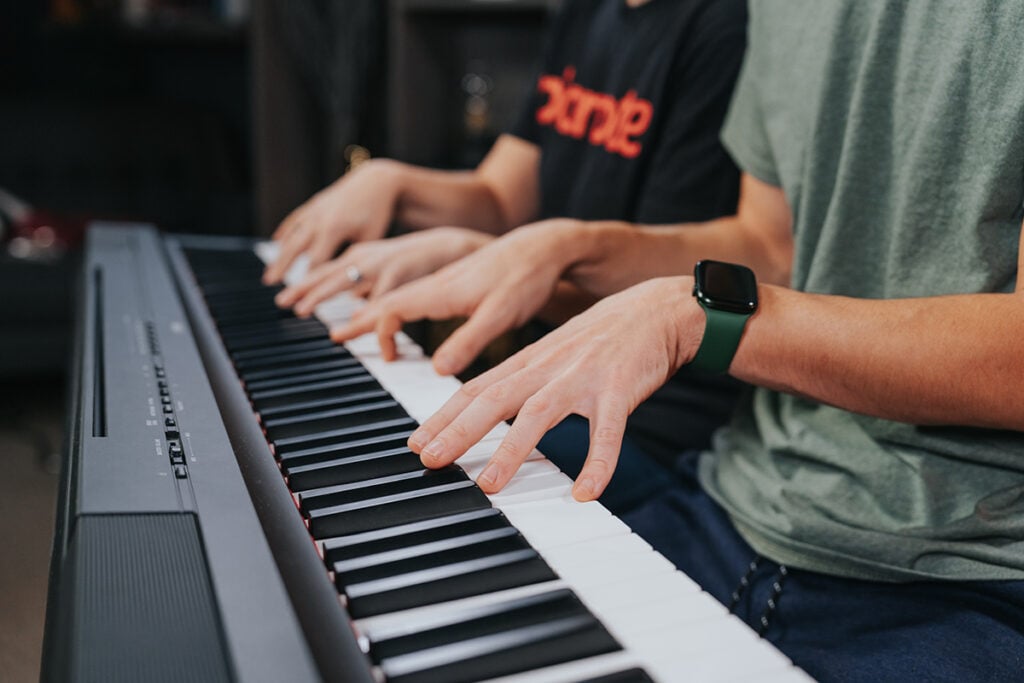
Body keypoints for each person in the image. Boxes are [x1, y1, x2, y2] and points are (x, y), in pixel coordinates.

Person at [331, 1, 1024, 679]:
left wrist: (702, 316)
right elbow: (767, 244)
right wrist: (570, 247)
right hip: (738, 503)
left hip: (966, 573)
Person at [265, 0, 751, 470]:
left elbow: (663, 301)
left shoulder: (724, 24)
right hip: (549, 375)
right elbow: (500, 199)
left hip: (650, 414)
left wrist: (490, 261)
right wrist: (393, 184)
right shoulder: (586, 12)